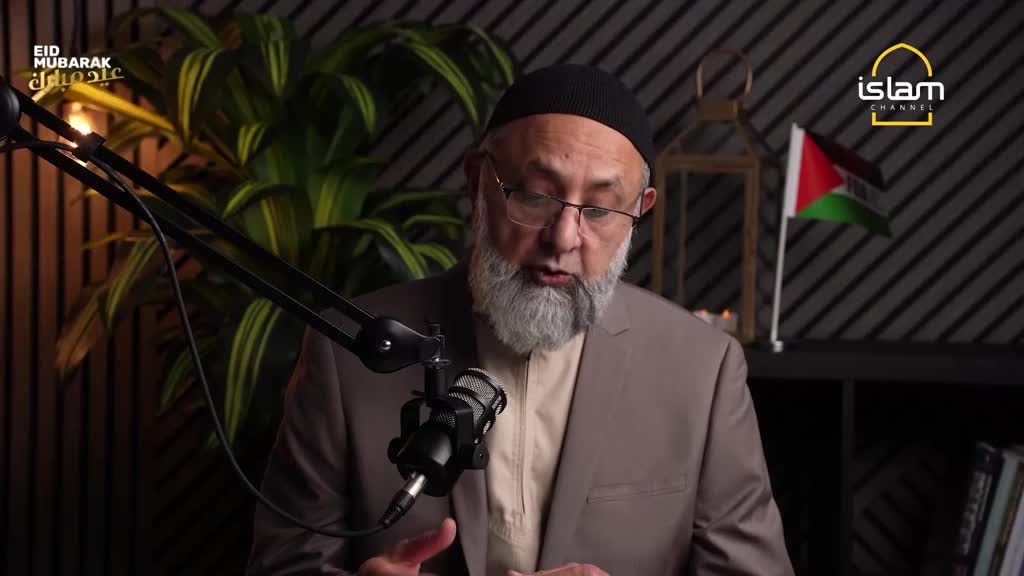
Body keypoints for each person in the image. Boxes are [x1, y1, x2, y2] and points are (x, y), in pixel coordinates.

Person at [247, 64, 794, 576]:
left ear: (640, 210)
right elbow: (283, 564)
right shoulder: (349, 351)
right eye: (534, 196)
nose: (563, 238)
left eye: (600, 209)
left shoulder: (703, 370)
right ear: (475, 181)